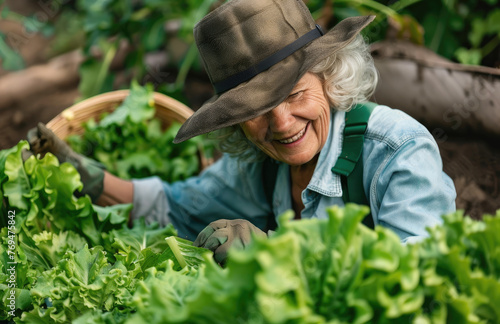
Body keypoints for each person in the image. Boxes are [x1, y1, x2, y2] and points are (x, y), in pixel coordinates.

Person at [28, 0, 456, 265]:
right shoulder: (258, 165)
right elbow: (173, 207)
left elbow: (420, 270)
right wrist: (86, 177)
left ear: (329, 78)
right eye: (256, 111)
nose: (283, 124)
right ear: (235, 121)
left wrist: (277, 255)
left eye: (295, 95)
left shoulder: (397, 149)